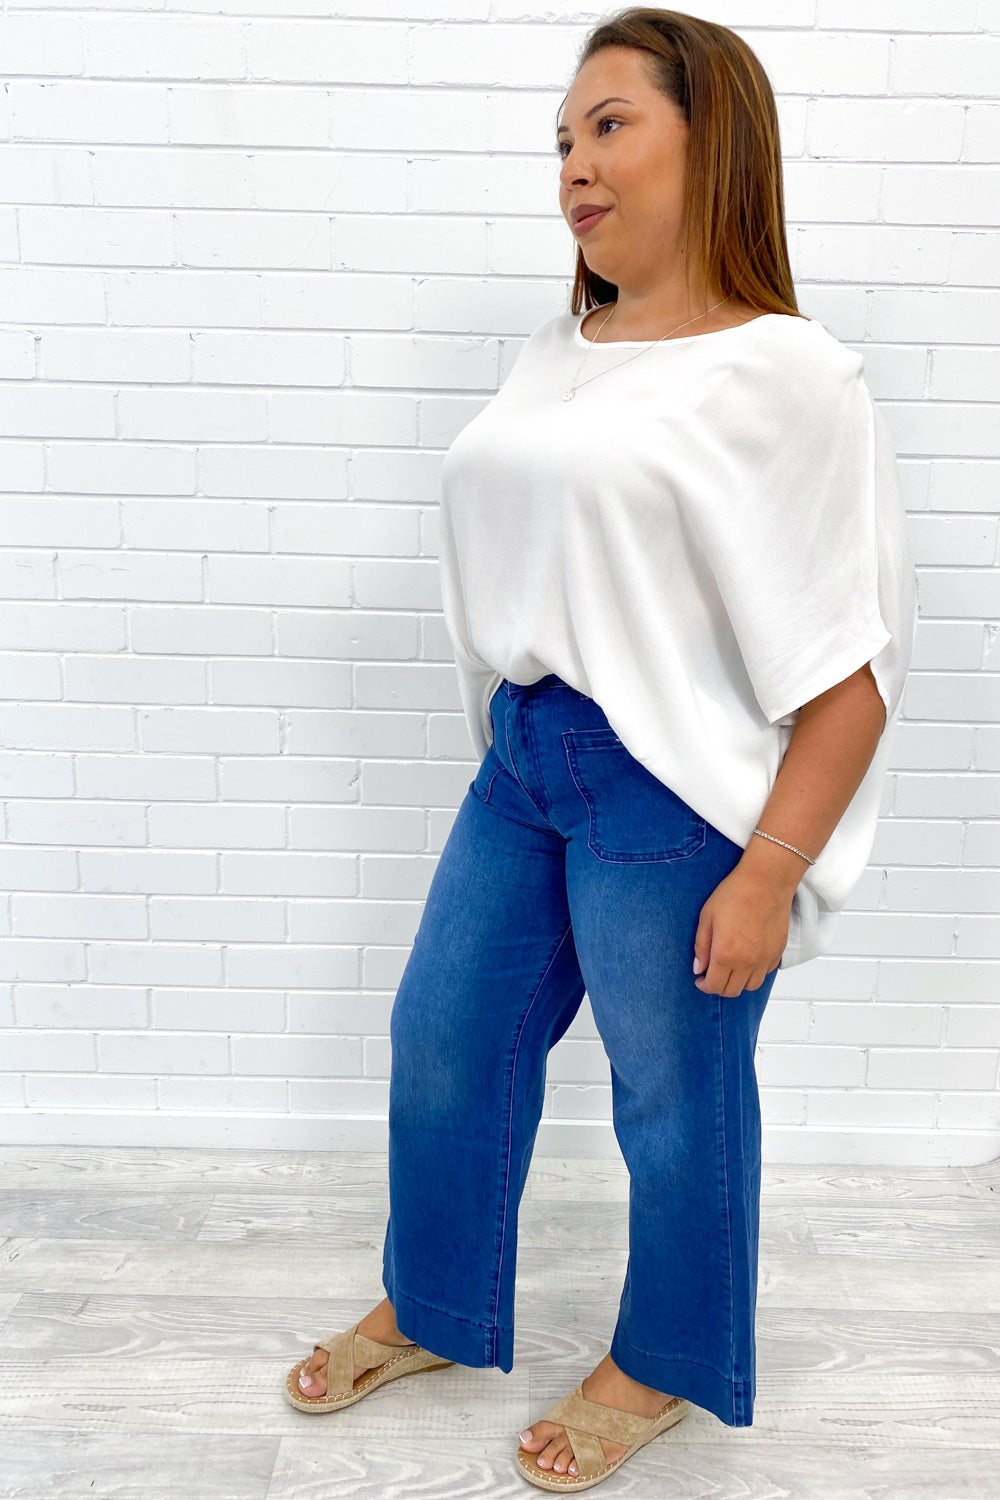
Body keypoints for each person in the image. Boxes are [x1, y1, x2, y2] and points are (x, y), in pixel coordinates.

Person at [282, 7, 917, 1492]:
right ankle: (436, 1305)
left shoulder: (789, 373)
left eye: (610, 126)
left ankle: (669, 1360)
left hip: (669, 786)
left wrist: (771, 871)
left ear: (715, 142)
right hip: (524, 759)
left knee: (674, 1096)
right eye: (562, 140)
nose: (573, 164)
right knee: (445, 1037)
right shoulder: (557, 349)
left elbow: (850, 679)